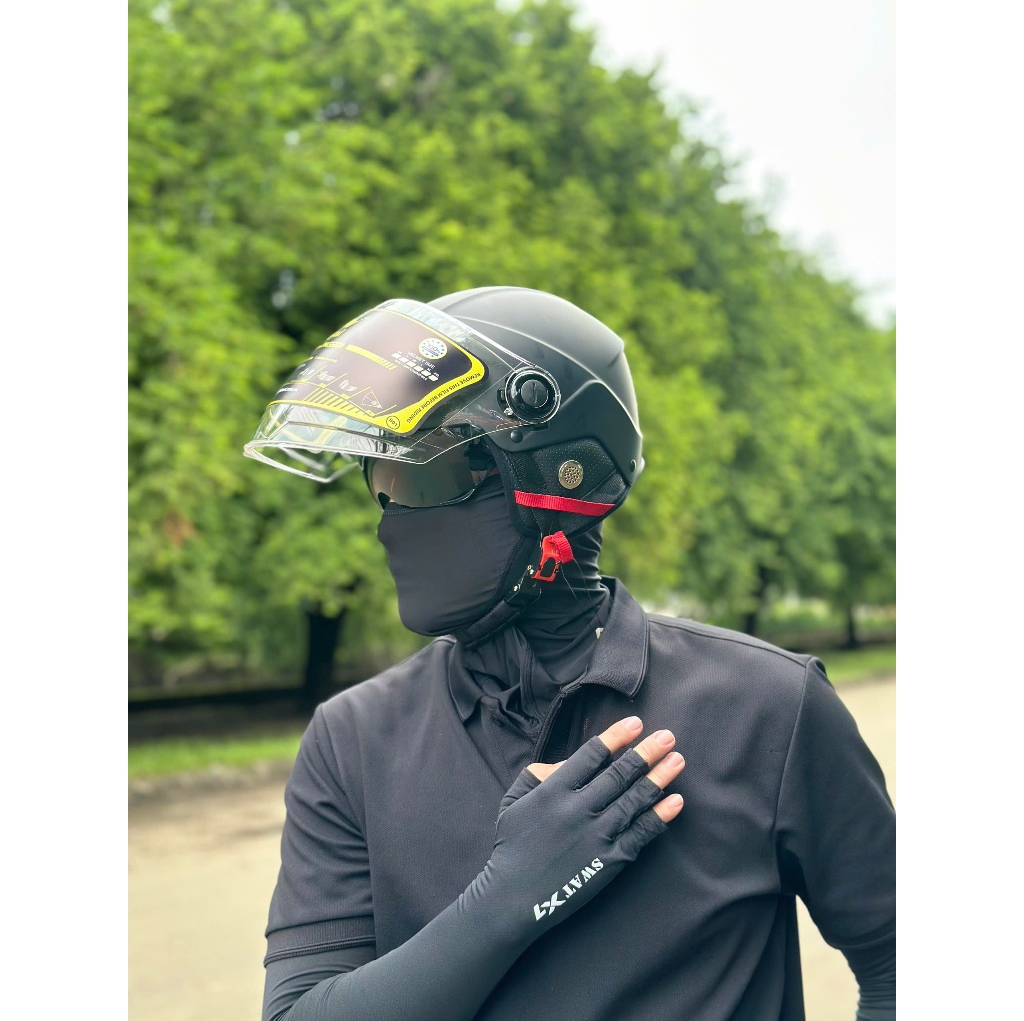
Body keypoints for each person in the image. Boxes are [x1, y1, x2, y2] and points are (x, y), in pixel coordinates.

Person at [244, 286, 896, 1021]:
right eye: (382, 481)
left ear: (558, 477)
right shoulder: (352, 738)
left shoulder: (769, 706)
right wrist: (513, 896)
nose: (389, 523)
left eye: (422, 477)